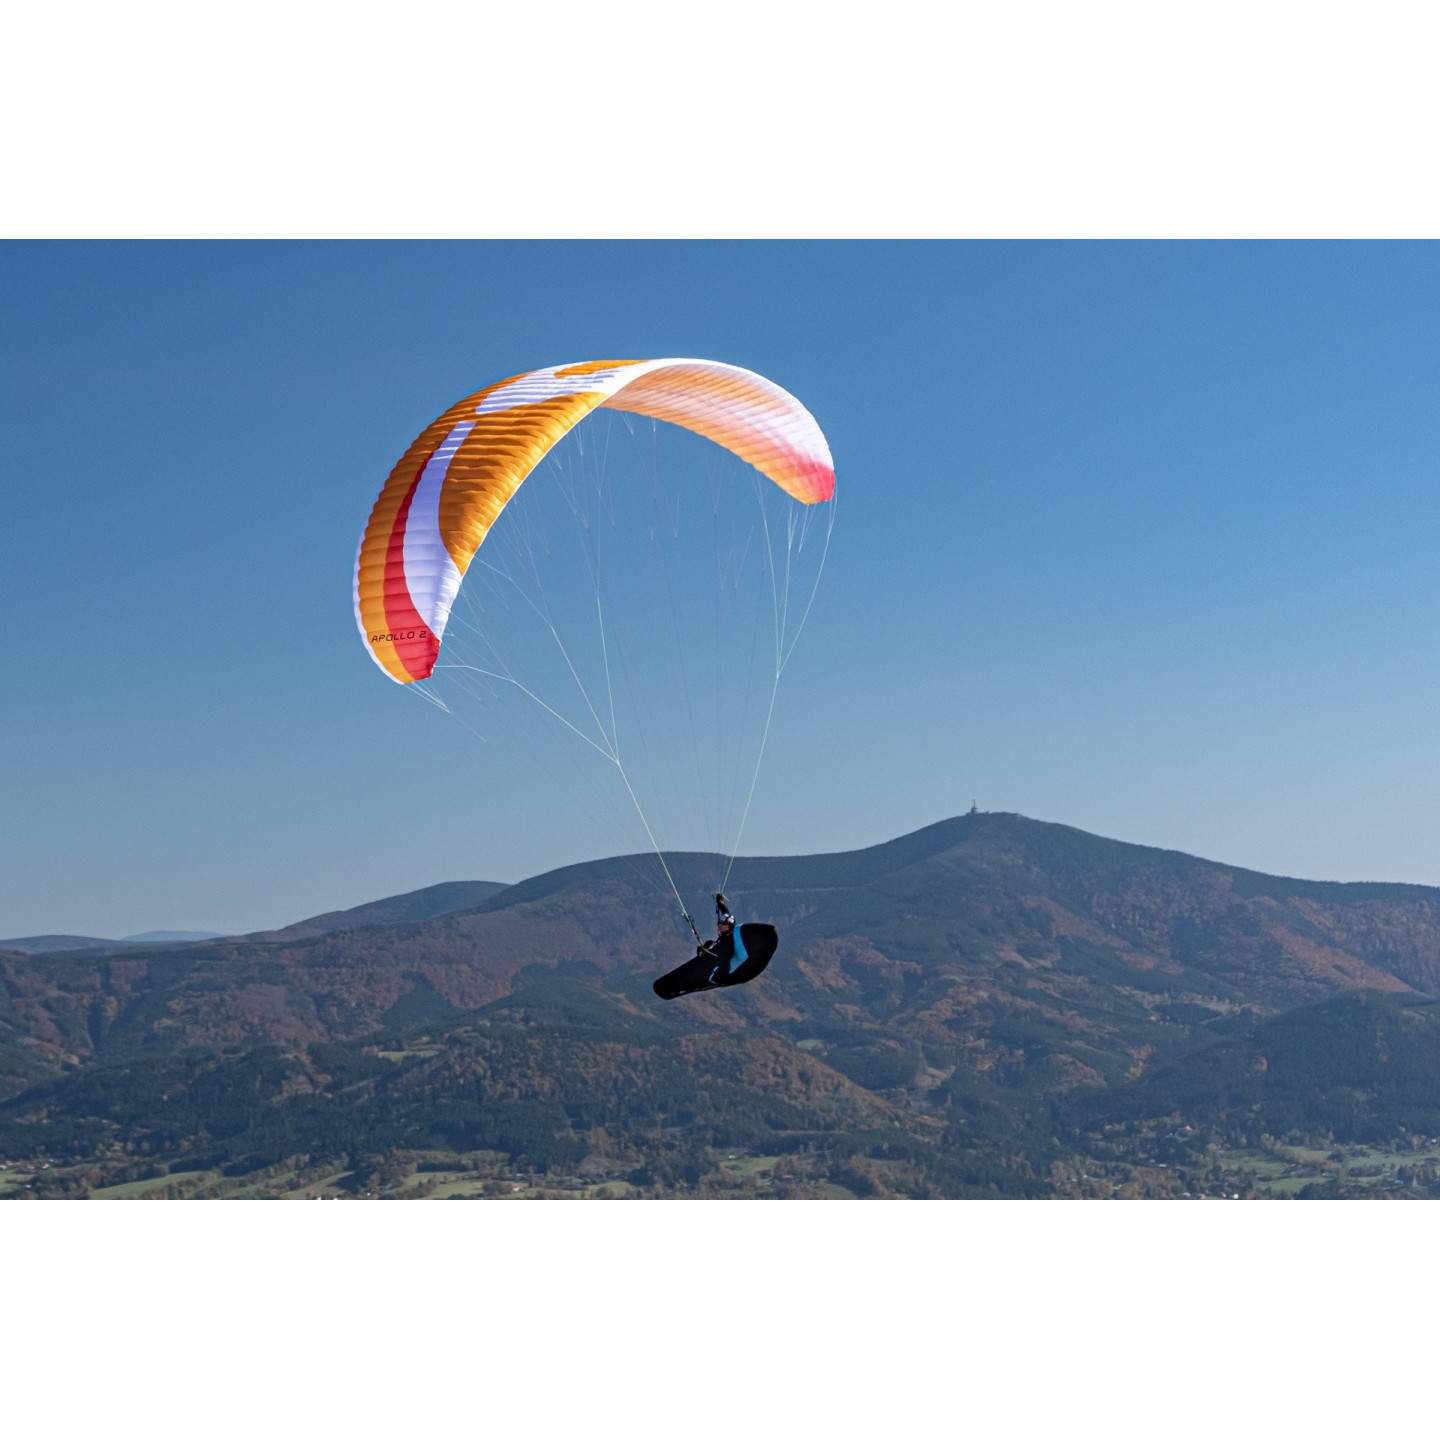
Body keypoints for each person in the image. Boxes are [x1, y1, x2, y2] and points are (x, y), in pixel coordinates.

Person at [652, 893, 778, 1000]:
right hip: (721, 961)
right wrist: (721, 904)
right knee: (708, 944)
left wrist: (704, 952)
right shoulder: (727, 934)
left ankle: (667, 989)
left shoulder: (726, 944)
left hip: (722, 973)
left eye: (723, 926)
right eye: (720, 925)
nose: (720, 927)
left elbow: (718, 956)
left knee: (706, 949)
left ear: (729, 927)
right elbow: (725, 914)